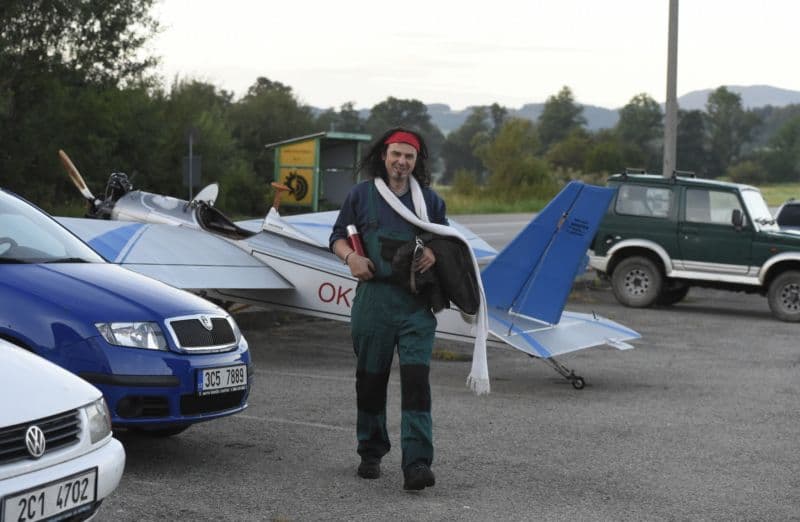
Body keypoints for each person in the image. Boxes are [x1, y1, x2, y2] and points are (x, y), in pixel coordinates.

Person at [329, 127, 447, 491]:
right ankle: (371, 451)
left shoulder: (430, 202)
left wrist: (434, 252)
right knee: (370, 382)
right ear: (384, 155)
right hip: (373, 304)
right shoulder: (361, 196)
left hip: (415, 308)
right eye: (396, 154)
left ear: (416, 161)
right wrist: (350, 257)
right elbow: (335, 237)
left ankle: (417, 464)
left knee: (416, 387)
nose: (402, 161)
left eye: (409, 156)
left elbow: (447, 243)